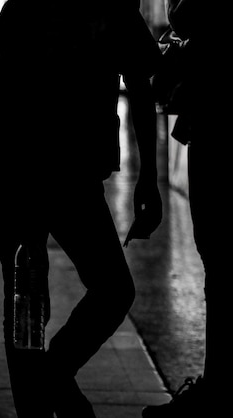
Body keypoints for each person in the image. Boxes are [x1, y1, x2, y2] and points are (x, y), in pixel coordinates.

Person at [0, 1, 162, 417]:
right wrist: (147, 175)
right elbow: (138, 83)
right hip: (50, 173)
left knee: (30, 301)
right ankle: (48, 387)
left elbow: (137, 82)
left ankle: (47, 381)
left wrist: (149, 175)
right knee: (55, 297)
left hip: (42, 171)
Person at [141, 0, 232, 416]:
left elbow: (194, 15)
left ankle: (217, 390)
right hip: (211, 113)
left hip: (219, 115)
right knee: (216, 256)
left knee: (219, 255)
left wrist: (179, 52)